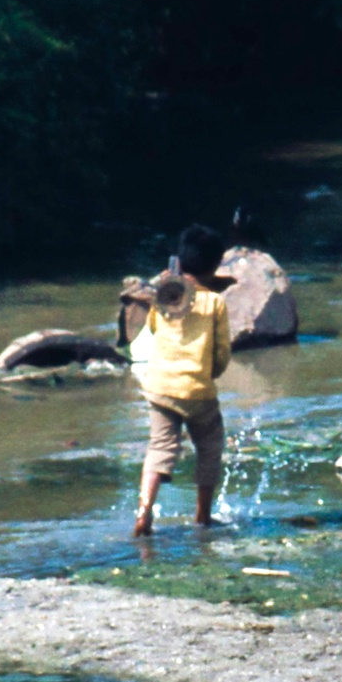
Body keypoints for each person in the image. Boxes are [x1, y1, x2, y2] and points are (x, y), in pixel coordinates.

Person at [133, 223, 231, 537]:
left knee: (159, 450)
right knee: (210, 446)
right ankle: (202, 516)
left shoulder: (165, 294)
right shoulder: (215, 303)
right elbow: (222, 352)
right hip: (198, 391)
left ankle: (144, 513)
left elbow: (153, 329)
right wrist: (209, 374)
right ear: (215, 265)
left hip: (160, 389)